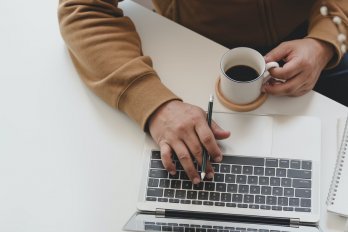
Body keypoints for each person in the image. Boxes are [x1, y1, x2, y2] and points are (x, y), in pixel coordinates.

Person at [58, 0, 348, 184]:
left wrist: (325, 40)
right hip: (197, 48)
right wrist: (154, 103)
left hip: (313, 37)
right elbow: (82, 7)